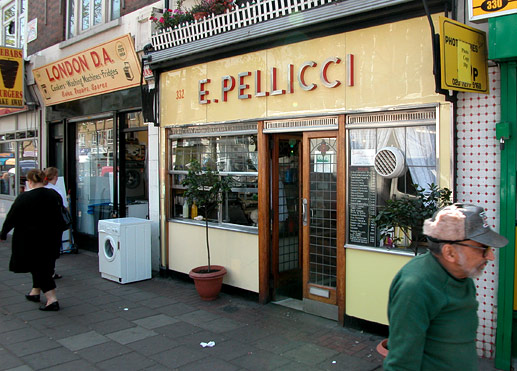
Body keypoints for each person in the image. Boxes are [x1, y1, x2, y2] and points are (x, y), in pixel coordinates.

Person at [384, 203, 508, 371]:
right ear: (450, 253)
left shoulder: (462, 275)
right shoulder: (416, 287)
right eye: (483, 248)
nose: (491, 256)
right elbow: (401, 362)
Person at [0, 169, 64, 311]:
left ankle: (52, 299)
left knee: (39, 268)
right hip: (51, 238)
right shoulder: (53, 194)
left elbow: (12, 217)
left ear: (30, 182)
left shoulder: (24, 198)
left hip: (30, 239)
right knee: (43, 265)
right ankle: (35, 291)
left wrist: (3, 234)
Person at [44, 167, 68, 279]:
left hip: (42, 224)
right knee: (53, 248)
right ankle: (50, 271)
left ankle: (45, 270)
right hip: (55, 224)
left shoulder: (41, 189)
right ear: (55, 177)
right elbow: (65, 206)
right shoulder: (57, 190)